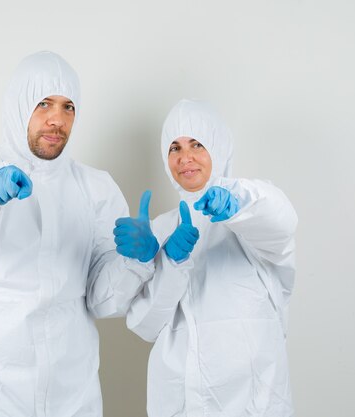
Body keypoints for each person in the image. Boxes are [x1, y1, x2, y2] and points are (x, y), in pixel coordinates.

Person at [0, 51, 154, 417]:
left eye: (68, 107)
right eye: (44, 104)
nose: (57, 120)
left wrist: (137, 261)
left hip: (72, 398)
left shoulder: (95, 190)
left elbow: (102, 301)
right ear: (19, 105)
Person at [116, 99, 298, 416]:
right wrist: (163, 261)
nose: (185, 158)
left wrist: (235, 205)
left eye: (197, 144)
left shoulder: (249, 214)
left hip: (252, 399)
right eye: (174, 147)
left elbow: (281, 221)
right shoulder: (159, 229)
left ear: (218, 145)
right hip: (181, 398)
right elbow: (145, 325)